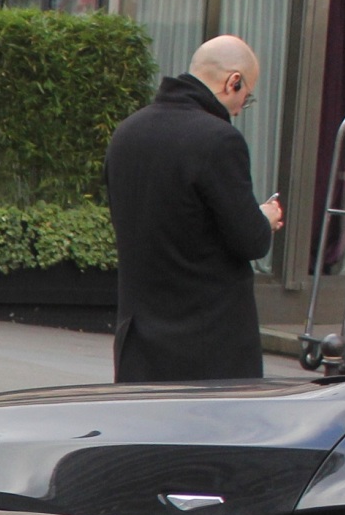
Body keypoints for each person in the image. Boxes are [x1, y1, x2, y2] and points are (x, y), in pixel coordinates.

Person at [104, 34, 285, 382]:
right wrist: (264, 217)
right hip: (208, 345)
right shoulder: (218, 140)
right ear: (234, 81)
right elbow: (250, 240)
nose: (239, 109)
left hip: (138, 341)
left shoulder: (127, 132)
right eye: (245, 97)